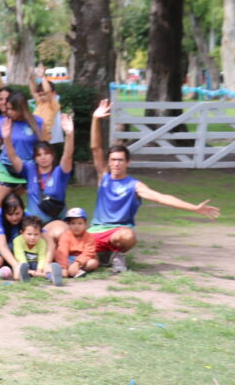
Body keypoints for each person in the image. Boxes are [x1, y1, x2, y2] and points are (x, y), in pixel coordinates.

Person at [88, 100, 220, 273]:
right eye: (113, 160)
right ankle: (102, 254)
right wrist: (96, 119)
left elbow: (161, 197)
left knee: (128, 236)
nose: (116, 164)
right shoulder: (103, 177)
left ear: (128, 162)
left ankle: (118, 254)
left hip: (117, 232)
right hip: (96, 230)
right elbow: (96, 147)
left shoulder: (134, 185)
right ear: (108, 161)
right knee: (74, 244)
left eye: (120, 160)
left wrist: (193, 208)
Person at [4, 114, 76, 228]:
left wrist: (69, 134)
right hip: (33, 224)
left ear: (53, 155)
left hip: (56, 222)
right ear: (35, 158)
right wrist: (7, 138)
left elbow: (68, 155)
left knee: (58, 232)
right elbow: (13, 157)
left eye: (46, 153)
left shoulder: (60, 172)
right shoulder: (29, 169)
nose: (43, 157)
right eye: (39, 155)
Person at [54, 208, 98, 279]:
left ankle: (75, 270)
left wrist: (77, 263)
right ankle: (67, 270)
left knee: (93, 263)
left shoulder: (89, 237)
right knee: (56, 253)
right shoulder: (66, 235)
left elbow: (88, 252)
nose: (76, 226)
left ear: (85, 225)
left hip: (82, 261)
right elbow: (62, 252)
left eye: (80, 223)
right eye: (73, 223)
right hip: (68, 258)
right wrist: (63, 267)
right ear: (68, 225)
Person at [12, 216, 59, 284]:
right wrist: (27, 269)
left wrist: (39, 270)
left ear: (40, 234)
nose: (32, 237)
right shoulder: (17, 241)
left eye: (36, 234)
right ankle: (25, 275)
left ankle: (53, 276)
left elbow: (42, 257)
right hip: (23, 264)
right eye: (29, 234)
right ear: (22, 233)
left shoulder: (42, 242)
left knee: (47, 268)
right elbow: (19, 256)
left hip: (36, 265)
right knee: (18, 270)